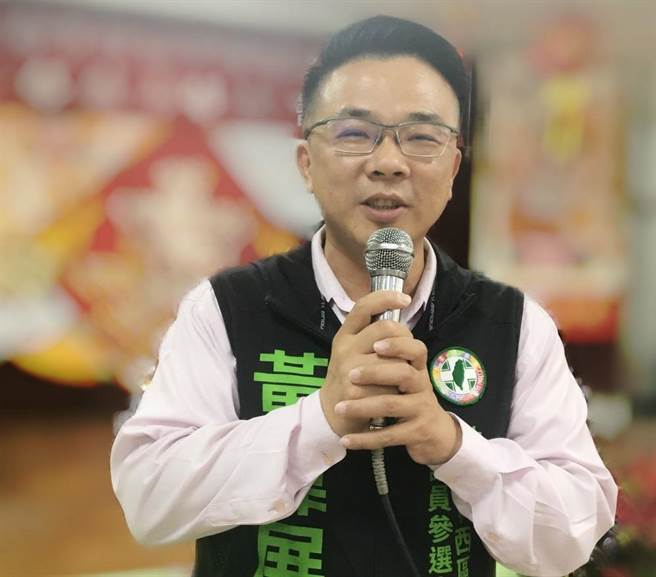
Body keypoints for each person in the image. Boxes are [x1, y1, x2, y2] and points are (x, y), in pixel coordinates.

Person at [110, 15, 617, 577]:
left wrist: (454, 447)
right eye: (355, 134)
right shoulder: (225, 309)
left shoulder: (515, 325)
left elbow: (574, 533)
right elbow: (149, 497)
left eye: (421, 138)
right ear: (307, 163)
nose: (388, 163)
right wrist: (321, 419)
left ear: (453, 167)